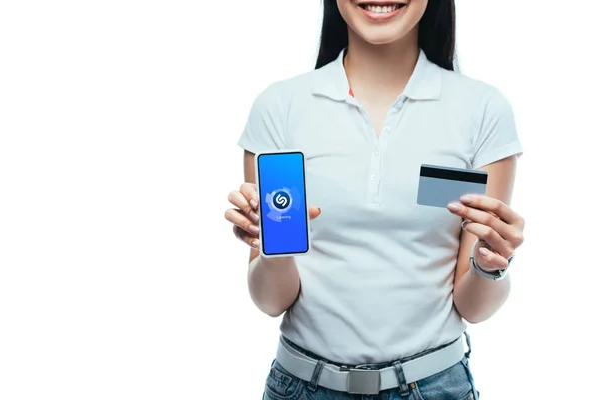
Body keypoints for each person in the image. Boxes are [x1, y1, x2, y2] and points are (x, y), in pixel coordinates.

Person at [224, 0, 525, 398]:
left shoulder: (482, 110)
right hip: (303, 386)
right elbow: (271, 301)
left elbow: (473, 307)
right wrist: (271, 248)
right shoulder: (280, 108)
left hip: (434, 387)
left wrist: (492, 265)